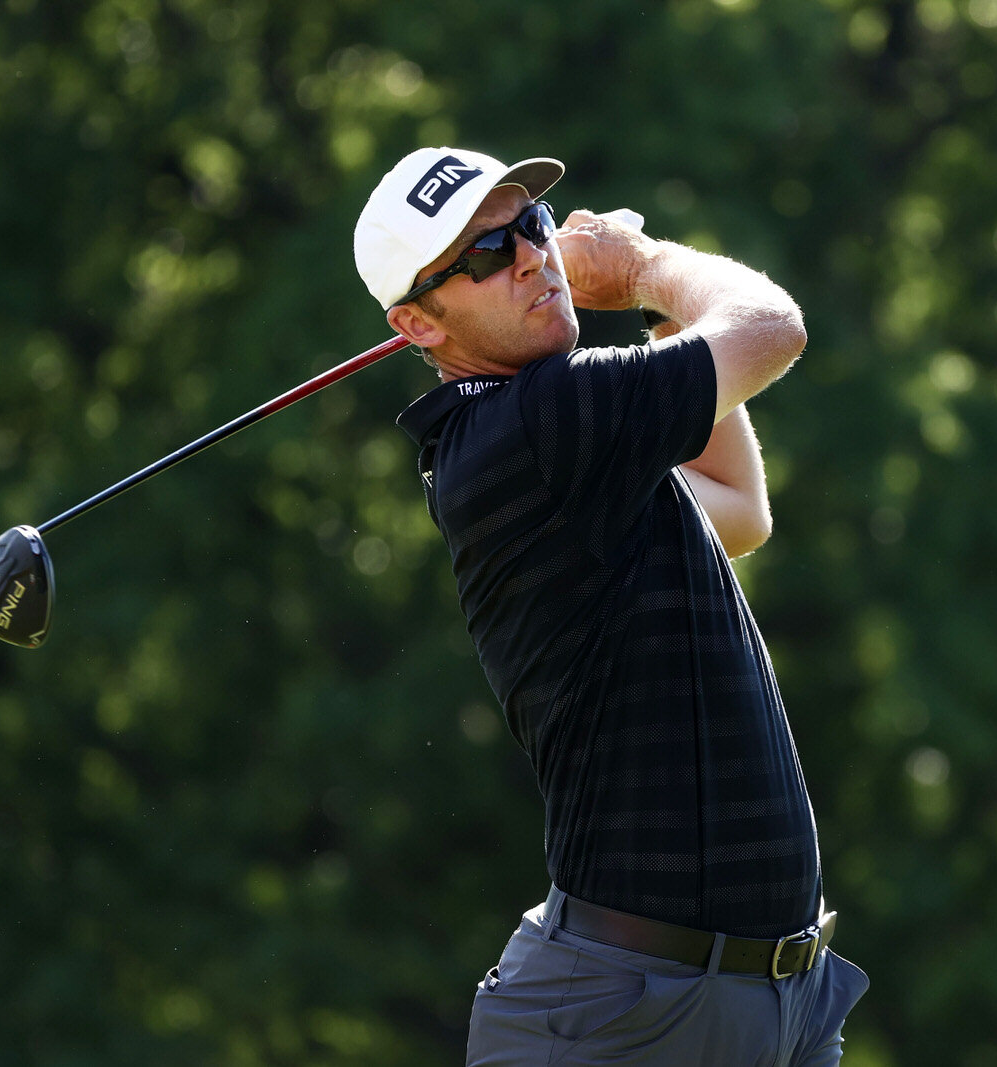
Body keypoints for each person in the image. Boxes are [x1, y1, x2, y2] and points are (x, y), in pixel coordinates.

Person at [354, 146, 867, 1066]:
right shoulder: (535, 425)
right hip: (622, 1022)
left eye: (530, 227)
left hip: (763, 1006)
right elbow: (771, 327)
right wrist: (638, 268)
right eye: (482, 256)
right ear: (416, 323)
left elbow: (737, 507)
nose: (528, 258)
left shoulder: (555, 436)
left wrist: (656, 307)